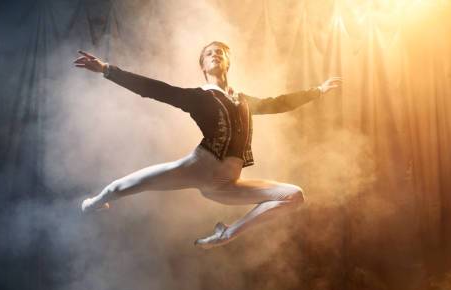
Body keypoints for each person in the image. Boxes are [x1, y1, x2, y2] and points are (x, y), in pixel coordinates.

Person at [74, 42, 341, 248]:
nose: (215, 55)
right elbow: (154, 89)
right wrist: (107, 69)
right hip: (197, 167)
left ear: (228, 63)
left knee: (295, 195)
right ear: (203, 65)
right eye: (209, 53)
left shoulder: (244, 101)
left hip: (226, 186)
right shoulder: (198, 97)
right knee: (121, 187)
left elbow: (279, 103)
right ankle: (94, 203)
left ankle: (227, 234)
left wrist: (317, 90)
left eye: (220, 52)